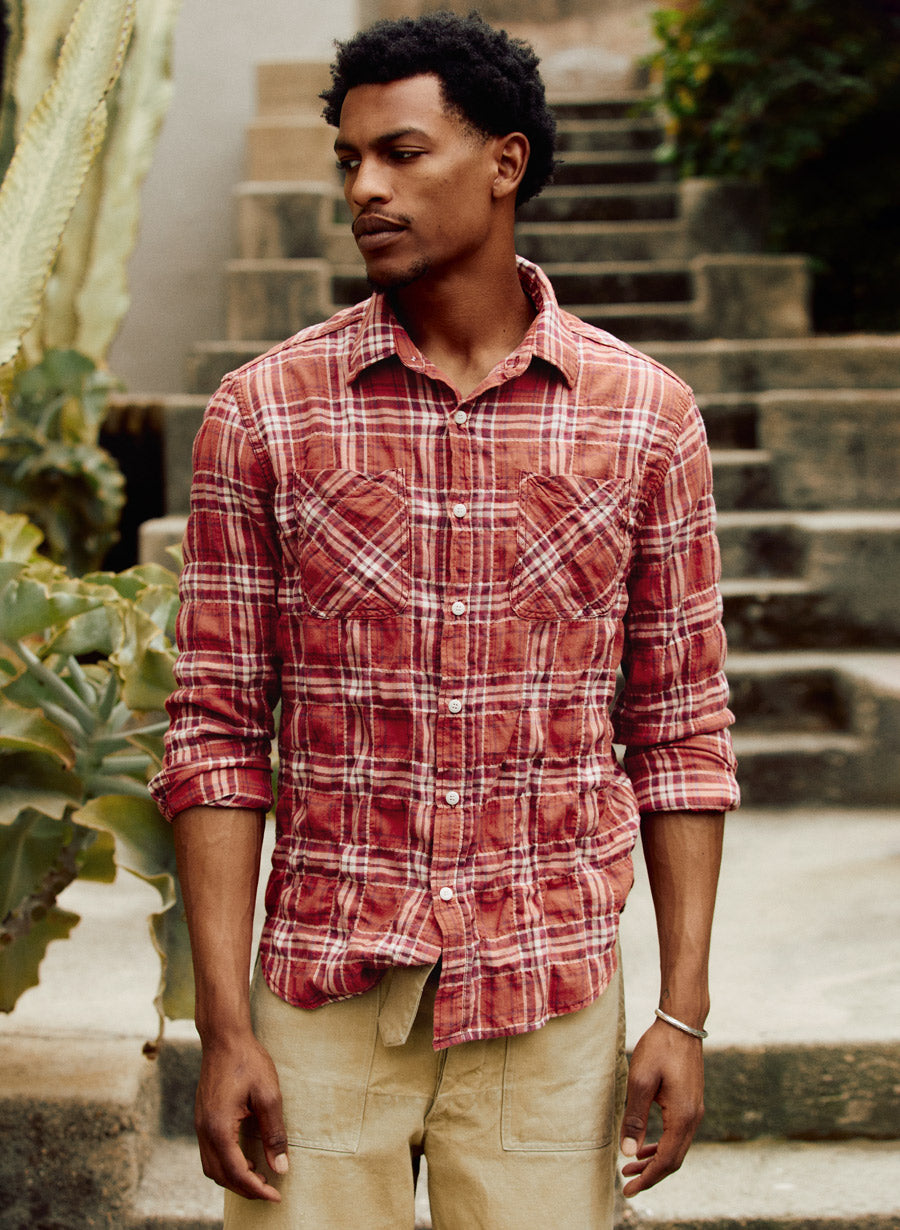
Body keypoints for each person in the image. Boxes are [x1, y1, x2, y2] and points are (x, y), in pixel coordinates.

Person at [150, 11, 739, 1229]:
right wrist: (222, 1027)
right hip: (319, 991)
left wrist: (681, 1009)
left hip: (550, 989)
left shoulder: (643, 419)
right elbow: (212, 732)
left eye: (403, 153)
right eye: (350, 162)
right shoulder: (261, 414)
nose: (366, 187)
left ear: (504, 163)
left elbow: (679, 729)